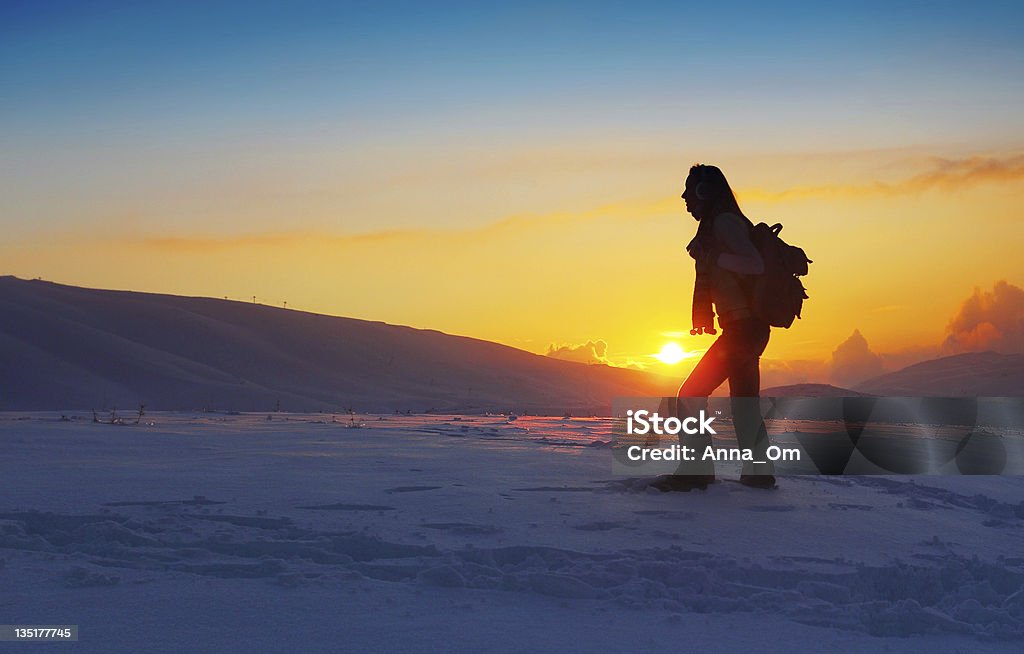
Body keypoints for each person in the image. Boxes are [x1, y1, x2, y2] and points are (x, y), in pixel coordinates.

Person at [653, 164, 776, 491]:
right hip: (744, 328)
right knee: (744, 405)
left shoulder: (724, 223)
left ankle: (697, 471)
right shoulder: (719, 224)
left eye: (690, 190)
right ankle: (759, 474)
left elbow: (754, 263)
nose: (684, 197)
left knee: (690, 394)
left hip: (743, 329)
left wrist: (715, 258)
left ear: (706, 192)